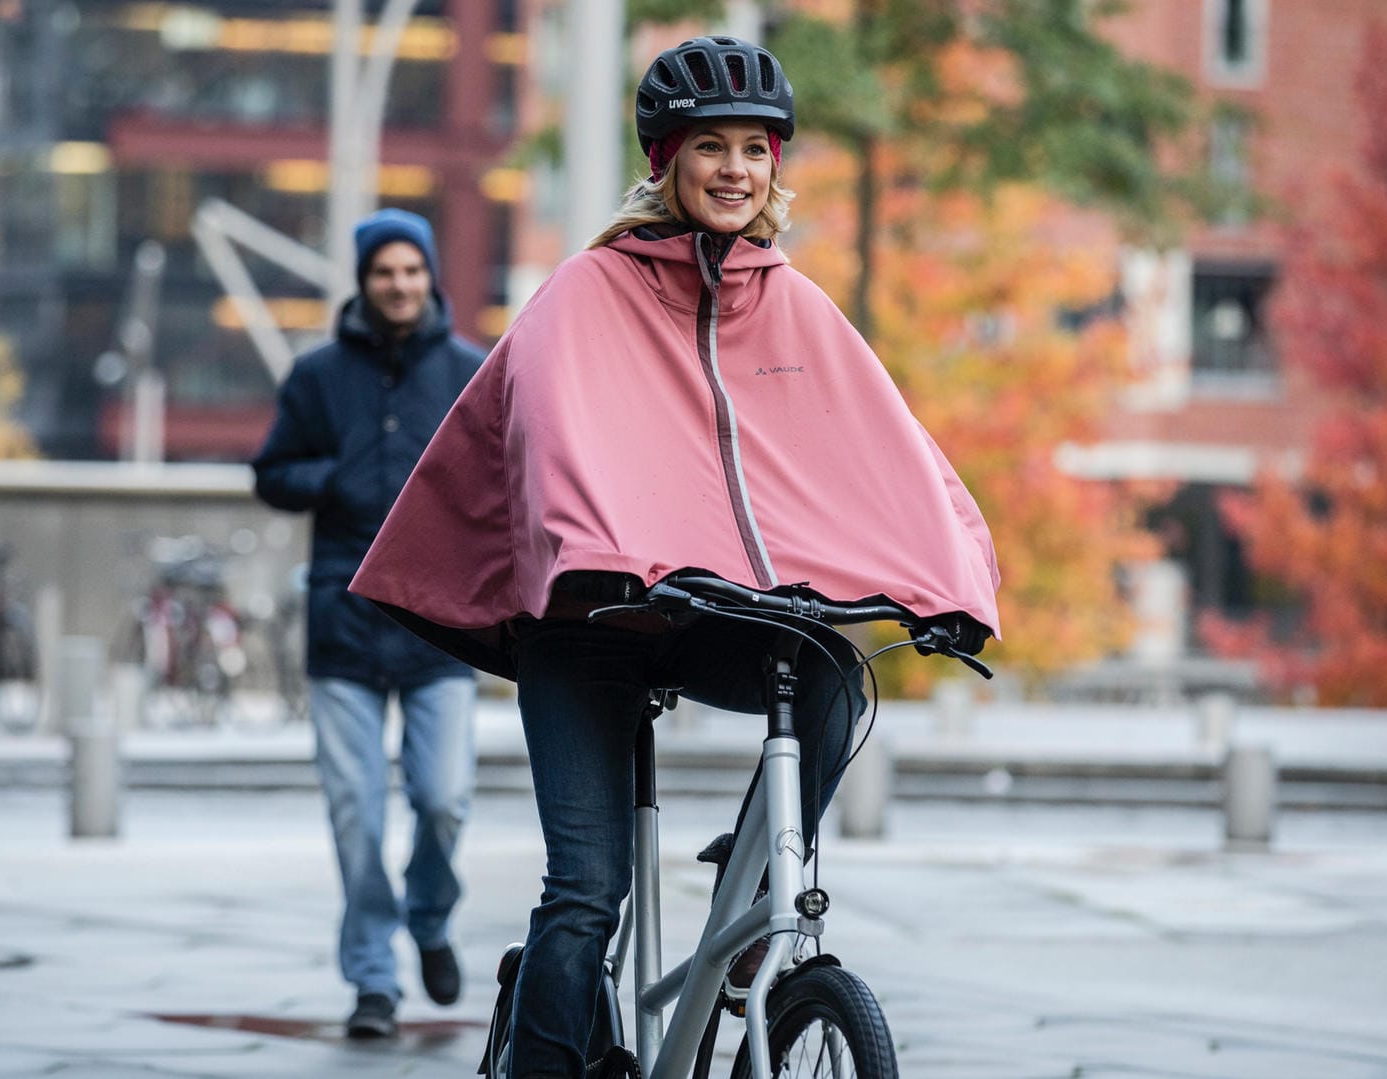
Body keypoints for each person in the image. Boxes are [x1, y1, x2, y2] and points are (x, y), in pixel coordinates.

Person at [351, 36, 1000, 1078]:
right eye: (711, 147)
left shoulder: (793, 304)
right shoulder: (587, 293)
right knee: (586, 894)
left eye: (756, 147)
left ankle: (753, 896)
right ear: (664, 159)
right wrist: (603, 549)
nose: (737, 169)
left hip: (723, 617)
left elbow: (896, 453)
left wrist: (951, 583)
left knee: (837, 675)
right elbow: (549, 435)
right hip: (592, 622)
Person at [251, 208, 487, 1039]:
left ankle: (428, 915)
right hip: (343, 625)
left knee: (445, 799)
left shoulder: (469, 370)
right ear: (363, 280)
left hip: (438, 627)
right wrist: (335, 477)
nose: (399, 284)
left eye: (412, 271)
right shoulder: (316, 377)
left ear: (431, 278)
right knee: (356, 808)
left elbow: (503, 478)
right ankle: (374, 978)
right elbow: (271, 473)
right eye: (384, 271)